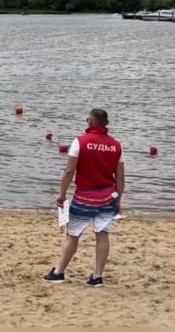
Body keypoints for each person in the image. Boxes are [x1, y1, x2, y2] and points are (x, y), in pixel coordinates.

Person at [44, 109, 124, 287]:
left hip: (85, 197)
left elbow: (69, 171)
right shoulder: (116, 145)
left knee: (72, 235)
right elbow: (120, 177)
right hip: (107, 197)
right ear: (106, 124)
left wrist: (62, 193)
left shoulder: (80, 141)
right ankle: (97, 276)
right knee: (102, 235)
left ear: (90, 122)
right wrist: (118, 201)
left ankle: (59, 272)